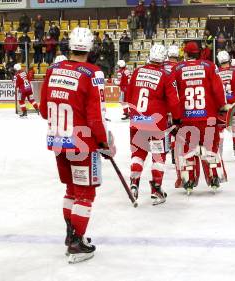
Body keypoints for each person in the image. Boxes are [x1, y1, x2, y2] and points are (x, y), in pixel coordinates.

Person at [39, 27, 115, 264]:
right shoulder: (93, 73)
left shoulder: (53, 70)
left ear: (69, 46)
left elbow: (44, 111)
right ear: (91, 48)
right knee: (85, 193)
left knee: (71, 190)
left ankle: (70, 234)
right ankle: (76, 242)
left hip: (58, 140)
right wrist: (104, 142)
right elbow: (96, 117)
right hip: (82, 143)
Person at [125, 44, 181, 205]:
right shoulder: (165, 75)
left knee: (138, 154)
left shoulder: (137, 72)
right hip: (156, 124)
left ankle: (134, 183)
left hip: (137, 121)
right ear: (163, 59)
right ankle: (156, 190)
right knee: (158, 155)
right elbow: (173, 101)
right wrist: (177, 119)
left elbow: (129, 96)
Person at [173, 41, 230, 194]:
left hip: (186, 118)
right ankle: (214, 177)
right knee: (211, 147)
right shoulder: (210, 66)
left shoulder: (177, 69)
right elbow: (218, 90)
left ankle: (189, 179)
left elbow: (173, 95)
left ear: (185, 53)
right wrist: (222, 107)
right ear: (198, 53)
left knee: (188, 149)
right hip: (208, 117)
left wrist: (174, 115)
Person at [216, 50, 235, 157]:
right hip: (234, 105)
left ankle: (219, 150)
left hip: (221, 106)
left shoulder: (216, 72)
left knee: (220, 129)